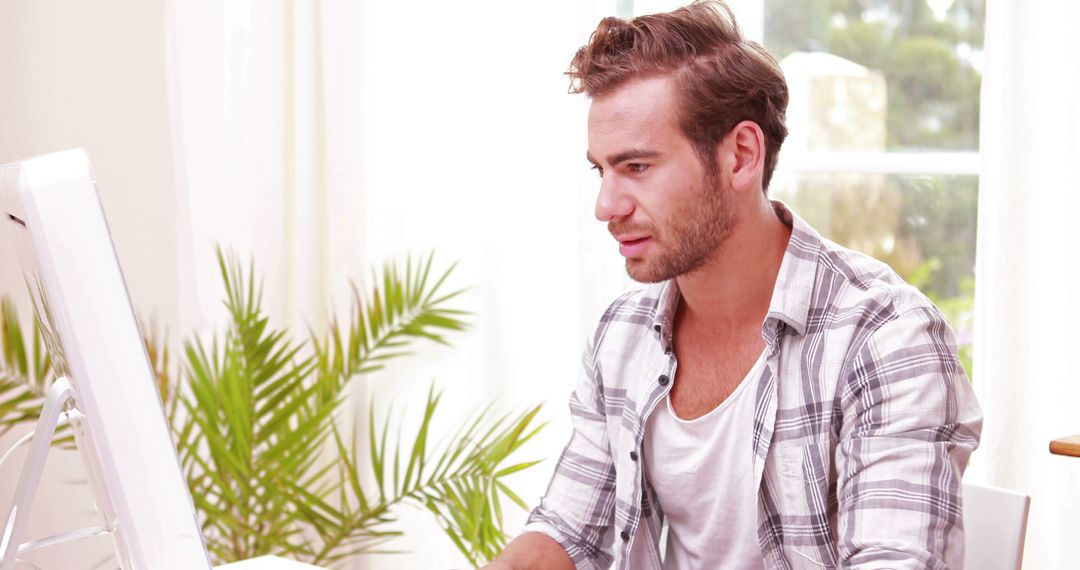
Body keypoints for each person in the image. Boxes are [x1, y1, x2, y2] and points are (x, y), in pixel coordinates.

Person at [485, 1, 982, 568]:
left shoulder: (885, 339)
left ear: (741, 156)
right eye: (602, 170)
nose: (605, 206)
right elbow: (569, 532)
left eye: (638, 167)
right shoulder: (623, 335)